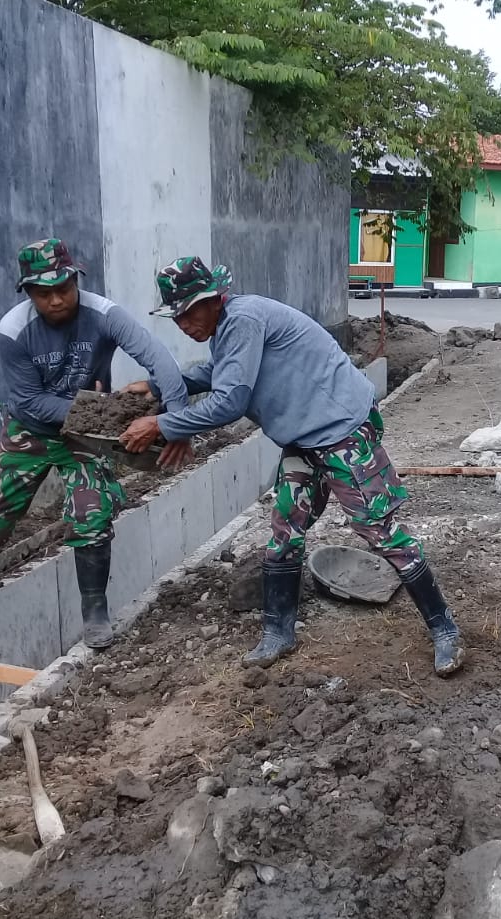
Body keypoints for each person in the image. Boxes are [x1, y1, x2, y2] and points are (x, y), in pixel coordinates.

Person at [119, 256, 467, 677]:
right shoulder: (227, 328)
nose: (184, 324)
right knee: (285, 528)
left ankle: (444, 629)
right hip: (304, 440)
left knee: (380, 531)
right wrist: (159, 386)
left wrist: (161, 423)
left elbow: (229, 401)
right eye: (176, 317)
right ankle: (278, 632)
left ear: (214, 298)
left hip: (342, 433)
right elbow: (219, 372)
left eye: (189, 312)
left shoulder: (243, 318)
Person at [0, 239, 192, 649]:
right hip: (34, 429)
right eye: (44, 293)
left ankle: (95, 613)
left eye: (64, 288)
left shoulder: (104, 315)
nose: (57, 300)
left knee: (91, 512)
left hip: (86, 434)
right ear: (28, 292)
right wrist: (99, 409)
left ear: (76, 279)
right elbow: (30, 400)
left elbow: (159, 360)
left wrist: (175, 421)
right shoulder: (13, 330)